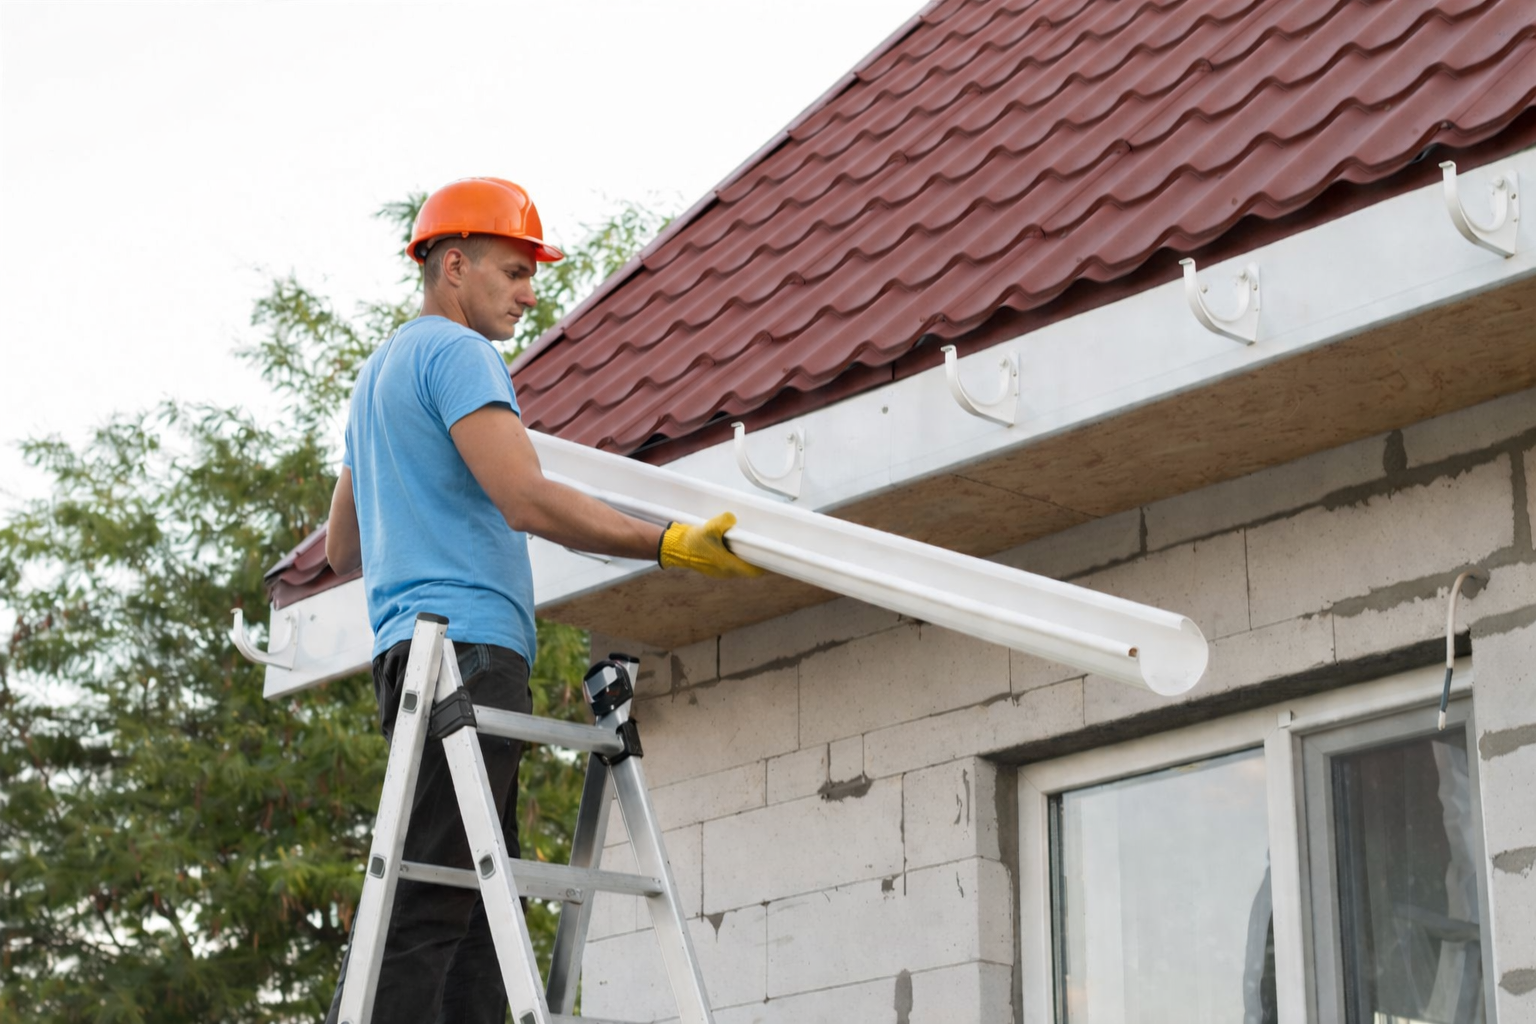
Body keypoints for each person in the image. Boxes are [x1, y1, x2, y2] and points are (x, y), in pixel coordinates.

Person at [321, 176, 761, 1023]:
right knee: (431, 898)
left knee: (477, 904)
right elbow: (526, 499)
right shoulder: (457, 355)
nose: (530, 292)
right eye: (514, 271)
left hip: (409, 661)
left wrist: (406, 485)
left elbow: (343, 546)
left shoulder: (377, 376)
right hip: (465, 655)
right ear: (455, 265)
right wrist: (661, 541)